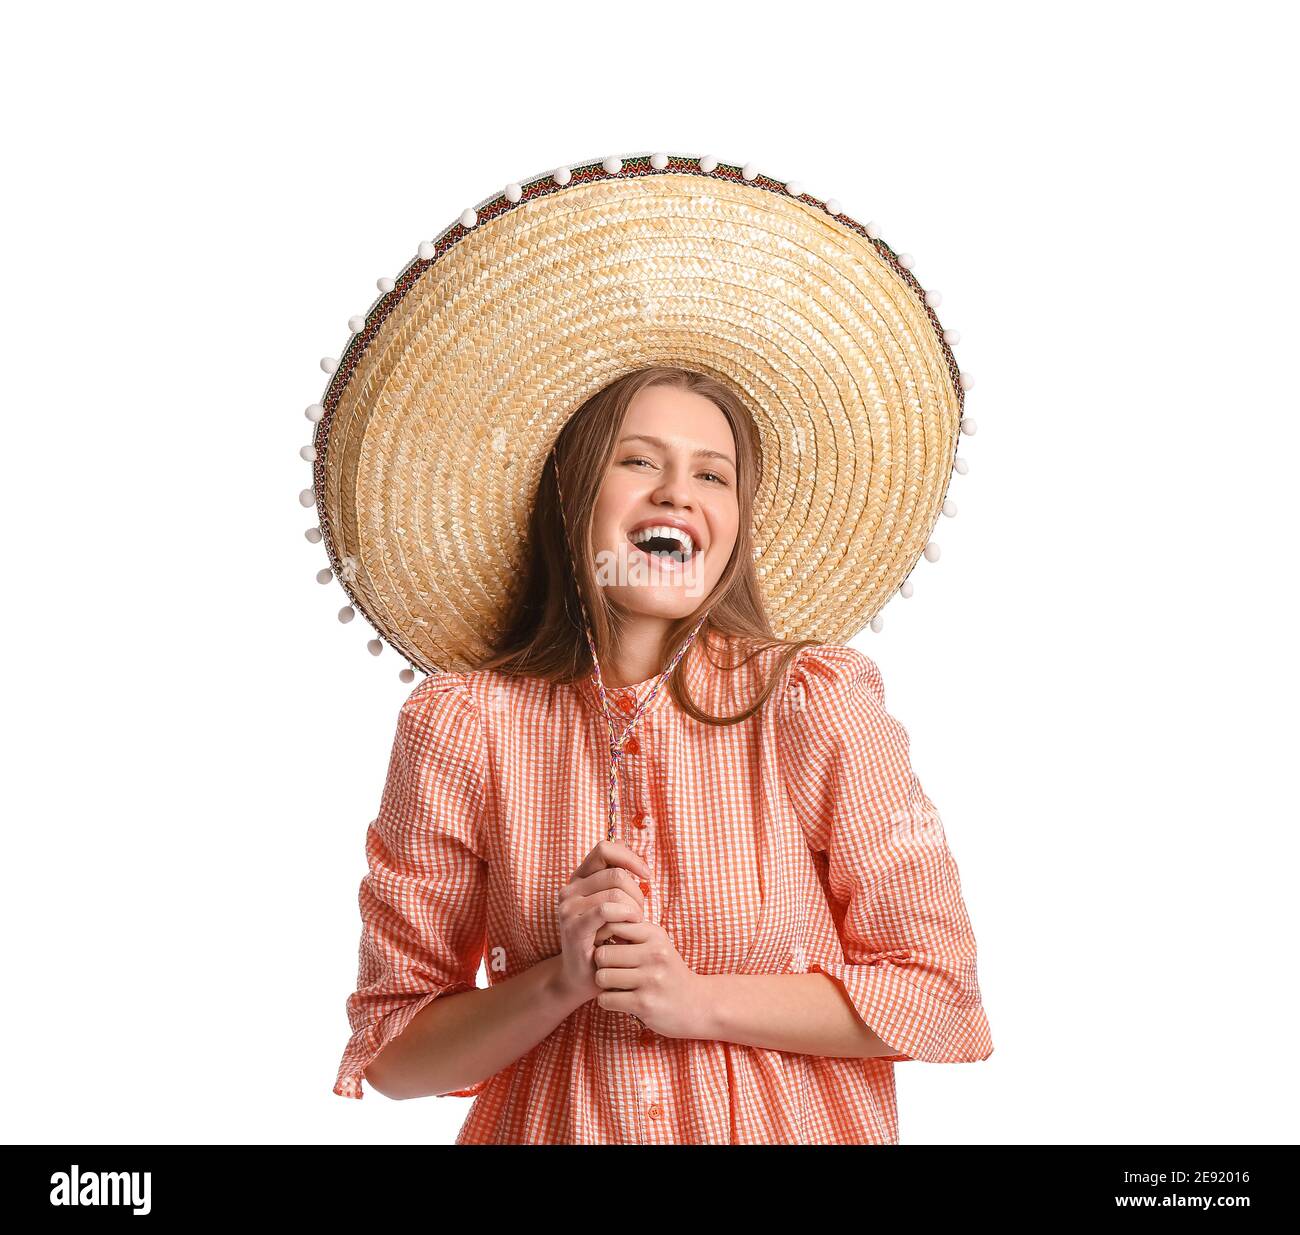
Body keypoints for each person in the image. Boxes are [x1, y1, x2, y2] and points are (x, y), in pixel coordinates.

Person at [307, 153, 992, 1143]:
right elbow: (398, 1054)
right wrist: (558, 982)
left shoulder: (813, 701)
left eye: (713, 474)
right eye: (639, 460)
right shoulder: (465, 725)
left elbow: (936, 992)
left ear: (736, 522)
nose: (679, 493)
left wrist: (694, 998)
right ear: (572, 493)